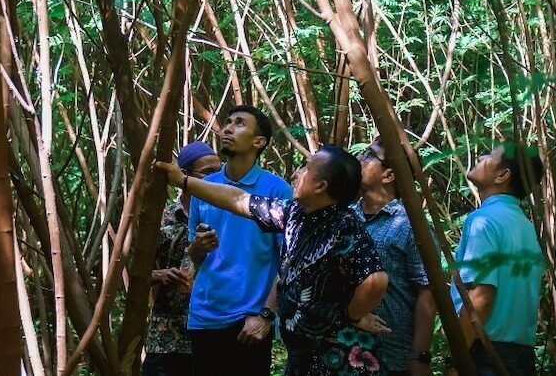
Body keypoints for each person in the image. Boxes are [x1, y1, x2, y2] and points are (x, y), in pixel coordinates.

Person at [157, 144, 391, 376]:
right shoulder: (295, 214)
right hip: (303, 357)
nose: (297, 173)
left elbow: (375, 280)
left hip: (337, 360)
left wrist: (353, 316)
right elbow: (239, 199)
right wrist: (184, 182)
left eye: (306, 168)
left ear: (321, 186)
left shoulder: (345, 226)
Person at [185, 105, 291, 374]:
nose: (228, 128)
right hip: (204, 317)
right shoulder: (204, 188)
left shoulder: (277, 190)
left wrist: (266, 315)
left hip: (250, 320)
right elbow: (193, 257)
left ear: (259, 142)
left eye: (240, 123)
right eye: (228, 122)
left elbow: (288, 262)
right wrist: (197, 248)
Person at [449, 141, 545, 376]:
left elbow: (480, 297)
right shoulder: (525, 226)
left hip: (487, 355)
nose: (481, 156)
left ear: (502, 175)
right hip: (521, 356)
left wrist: (455, 361)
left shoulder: (484, 221)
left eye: (490, 156)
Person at [352, 138, 436, 376]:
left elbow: (428, 293)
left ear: (388, 176)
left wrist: (419, 356)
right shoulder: (345, 217)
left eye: (369, 155)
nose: (359, 158)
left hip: (391, 356)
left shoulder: (412, 226)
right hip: (341, 350)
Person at [143, 141, 221, 375]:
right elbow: (132, 274)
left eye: (220, 171)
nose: (217, 178)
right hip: (169, 336)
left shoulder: (227, 218)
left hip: (215, 333)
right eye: (208, 173)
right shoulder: (161, 219)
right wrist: (161, 275)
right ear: (183, 176)